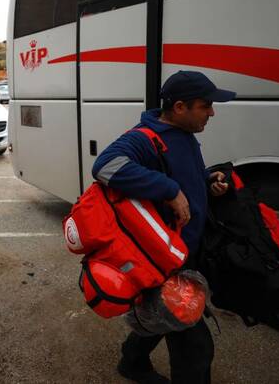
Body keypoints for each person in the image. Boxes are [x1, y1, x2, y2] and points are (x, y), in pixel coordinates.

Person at [92, 71, 235, 384]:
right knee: (195, 348)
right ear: (180, 107)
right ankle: (135, 362)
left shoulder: (184, 134)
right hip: (165, 258)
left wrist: (208, 182)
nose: (212, 111)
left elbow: (184, 176)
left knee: (160, 315)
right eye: (206, 105)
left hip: (187, 250)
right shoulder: (143, 138)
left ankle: (132, 362)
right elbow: (104, 166)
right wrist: (168, 190)